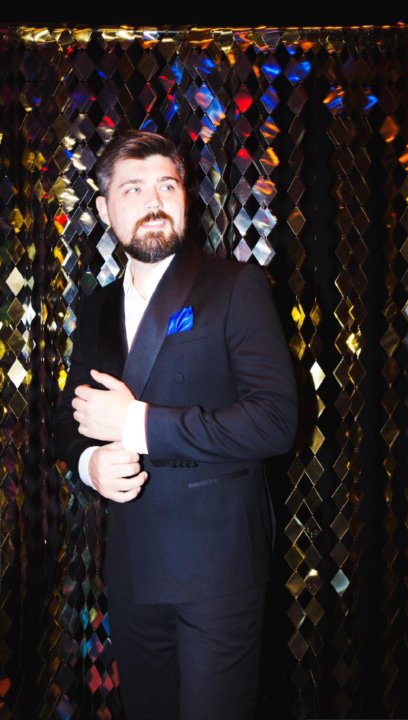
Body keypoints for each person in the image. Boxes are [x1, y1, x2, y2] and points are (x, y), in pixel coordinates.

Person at [54, 129, 298, 720]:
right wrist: (90, 463)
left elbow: (275, 422)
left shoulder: (234, 286)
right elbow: (70, 420)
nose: (154, 201)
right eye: (133, 189)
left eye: (167, 185)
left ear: (185, 199)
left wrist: (139, 425)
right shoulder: (95, 307)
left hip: (219, 569)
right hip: (133, 567)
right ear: (105, 210)